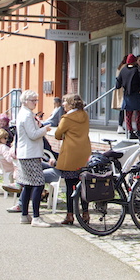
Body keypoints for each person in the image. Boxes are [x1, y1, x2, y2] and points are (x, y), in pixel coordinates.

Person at [52, 94, 92, 225]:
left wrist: (65, 134)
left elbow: (57, 135)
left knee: (70, 186)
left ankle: (70, 215)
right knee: (84, 185)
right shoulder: (85, 115)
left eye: (65, 102)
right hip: (84, 153)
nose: (63, 104)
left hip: (70, 155)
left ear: (71, 104)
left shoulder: (67, 118)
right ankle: (85, 213)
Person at [14, 90, 51, 226]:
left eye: (36, 100)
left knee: (28, 185)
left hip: (26, 153)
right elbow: (33, 134)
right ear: (25, 101)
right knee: (38, 184)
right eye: (33, 100)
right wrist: (45, 129)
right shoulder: (27, 115)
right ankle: (36, 217)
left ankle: (25, 215)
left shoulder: (24, 113)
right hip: (30, 154)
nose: (35, 103)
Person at [116, 54, 140, 138]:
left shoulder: (123, 70)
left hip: (126, 95)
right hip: (136, 94)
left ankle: (130, 131)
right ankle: (138, 130)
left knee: (128, 114)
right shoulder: (136, 70)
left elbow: (118, 84)